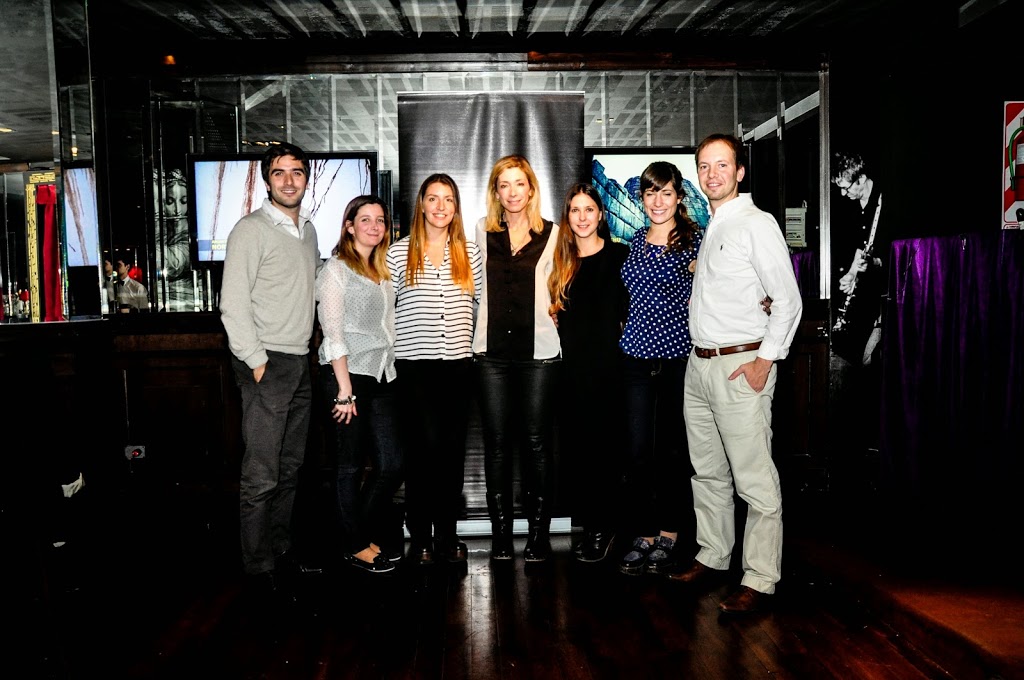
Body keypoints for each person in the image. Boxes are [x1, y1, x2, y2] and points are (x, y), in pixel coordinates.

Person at [669, 133, 802, 615]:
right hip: (700, 365)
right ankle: (713, 554)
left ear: (740, 172)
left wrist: (764, 361)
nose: (712, 174)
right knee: (707, 473)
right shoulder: (715, 225)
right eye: (704, 166)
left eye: (722, 165)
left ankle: (761, 578)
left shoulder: (755, 223)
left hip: (740, 366)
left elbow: (788, 299)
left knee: (754, 480)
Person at [220, 142, 320, 594]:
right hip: (267, 362)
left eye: (296, 172)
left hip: (299, 360)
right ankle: (258, 568)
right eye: (279, 172)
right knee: (261, 474)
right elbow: (232, 305)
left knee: (290, 468)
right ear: (267, 180)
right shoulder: (250, 230)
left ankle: (280, 552)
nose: (288, 180)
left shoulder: (308, 231)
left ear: (306, 178)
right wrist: (258, 362)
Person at [387, 174, 482, 566]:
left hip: (458, 366)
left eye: (448, 199)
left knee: (451, 455)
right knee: (421, 453)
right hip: (414, 368)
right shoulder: (398, 253)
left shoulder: (470, 253)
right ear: (421, 205)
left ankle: (446, 535)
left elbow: (478, 307)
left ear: (456, 207)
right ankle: (421, 537)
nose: (440, 206)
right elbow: (386, 311)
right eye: (432, 198)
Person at [616, 161, 703, 576]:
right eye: (651, 192)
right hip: (634, 357)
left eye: (666, 192)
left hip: (675, 359)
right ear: (642, 197)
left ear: (679, 197)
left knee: (672, 451)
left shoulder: (694, 241)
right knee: (636, 452)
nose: (658, 200)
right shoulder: (635, 239)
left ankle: (670, 533)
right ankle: (644, 532)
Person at [472, 154, 560, 563]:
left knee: (537, 445)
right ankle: (502, 537)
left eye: (518, 184)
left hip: (538, 353)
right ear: (496, 191)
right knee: (496, 446)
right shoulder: (481, 231)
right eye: (504, 184)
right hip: (491, 355)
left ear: (531, 189)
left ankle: (538, 536)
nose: (512, 192)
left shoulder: (554, 234)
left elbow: (567, 282)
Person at [317, 194, 403, 574]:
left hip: (382, 373)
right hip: (347, 376)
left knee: (392, 465)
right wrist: (344, 390)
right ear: (349, 226)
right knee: (349, 465)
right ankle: (354, 544)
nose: (374, 226)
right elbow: (333, 332)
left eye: (380, 220)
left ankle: (353, 534)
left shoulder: (382, 269)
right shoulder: (336, 269)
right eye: (365, 219)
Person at [547, 182, 629, 563]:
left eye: (589, 210)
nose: (582, 217)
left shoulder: (621, 257)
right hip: (571, 374)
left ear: (601, 215)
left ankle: (606, 529)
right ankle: (592, 526)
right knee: (580, 454)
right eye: (575, 210)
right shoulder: (560, 263)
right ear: (568, 217)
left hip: (612, 371)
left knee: (608, 452)